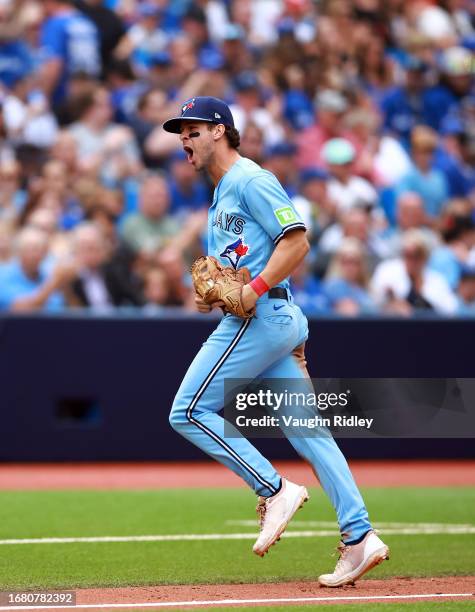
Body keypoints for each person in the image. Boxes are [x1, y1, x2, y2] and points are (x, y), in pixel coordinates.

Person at [164, 96, 389, 587]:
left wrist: (252, 290)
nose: (184, 138)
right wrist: (216, 295)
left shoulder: (251, 179)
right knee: (311, 434)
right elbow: (230, 276)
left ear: (220, 131)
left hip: (263, 317)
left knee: (187, 411)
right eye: (181, 131)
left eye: (193, 129)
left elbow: (297, 239)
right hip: (268, 317)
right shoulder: (222, 193)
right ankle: (360, 536)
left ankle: (273, 487)